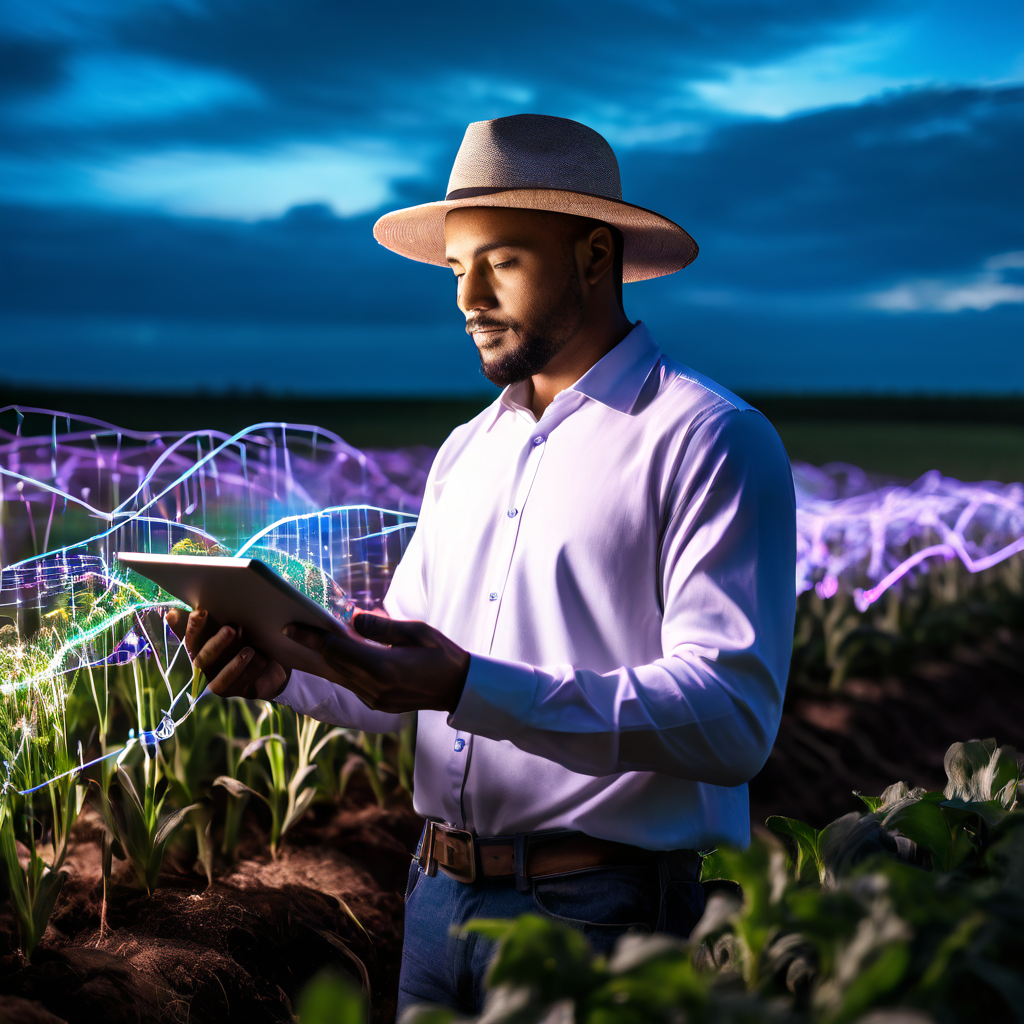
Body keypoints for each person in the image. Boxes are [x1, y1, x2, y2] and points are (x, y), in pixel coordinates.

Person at [169, 114, 797, 1016]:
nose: (467, 295)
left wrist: (470, 683)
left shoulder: (708, 440)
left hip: (602, 917)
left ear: (592, 256)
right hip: (434, 901)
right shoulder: (466, 452)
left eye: (499, 261)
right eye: (457, 266)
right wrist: (286, 670)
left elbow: (732, 721)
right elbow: (395, 680)